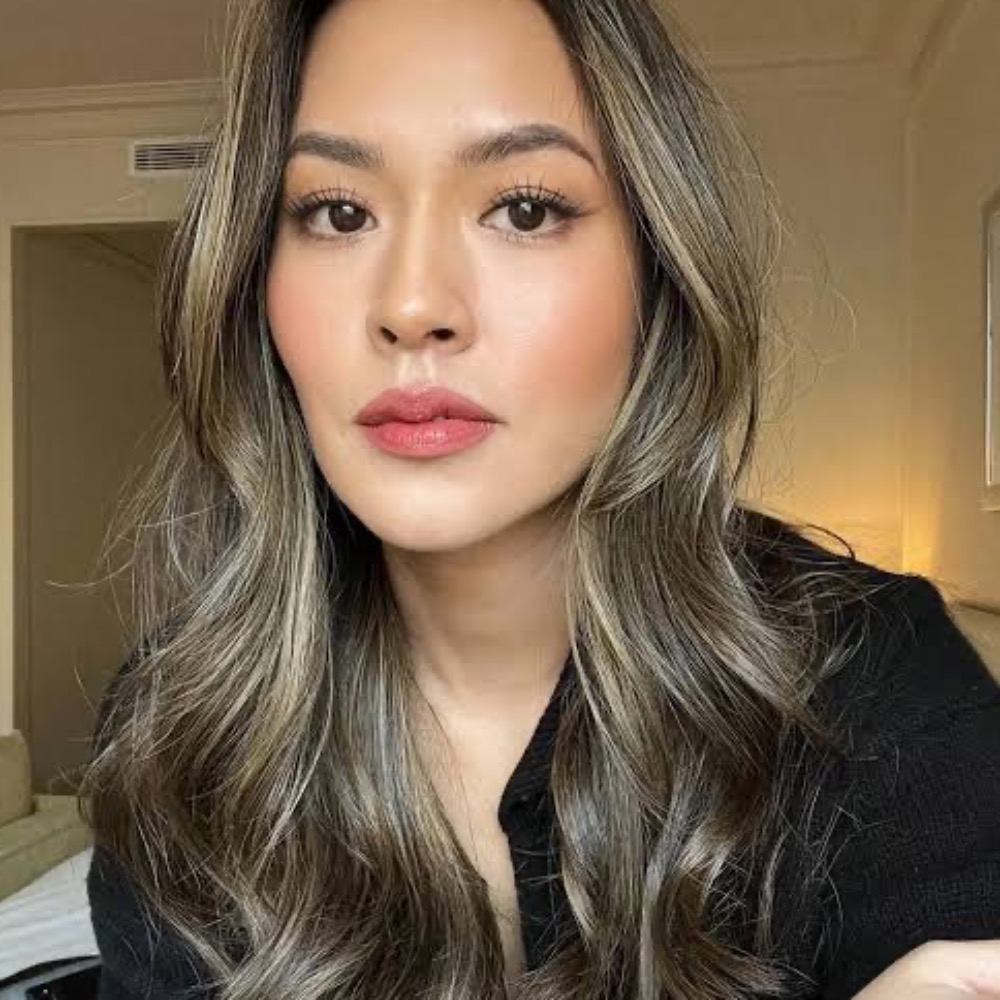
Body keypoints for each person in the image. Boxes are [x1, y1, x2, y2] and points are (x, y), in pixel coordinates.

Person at [79, 0, 1000, 997]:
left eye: (524, 209)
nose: (412, 306)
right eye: (338, 213)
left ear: (658, 270)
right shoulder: (183, 729)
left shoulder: (875, 685)